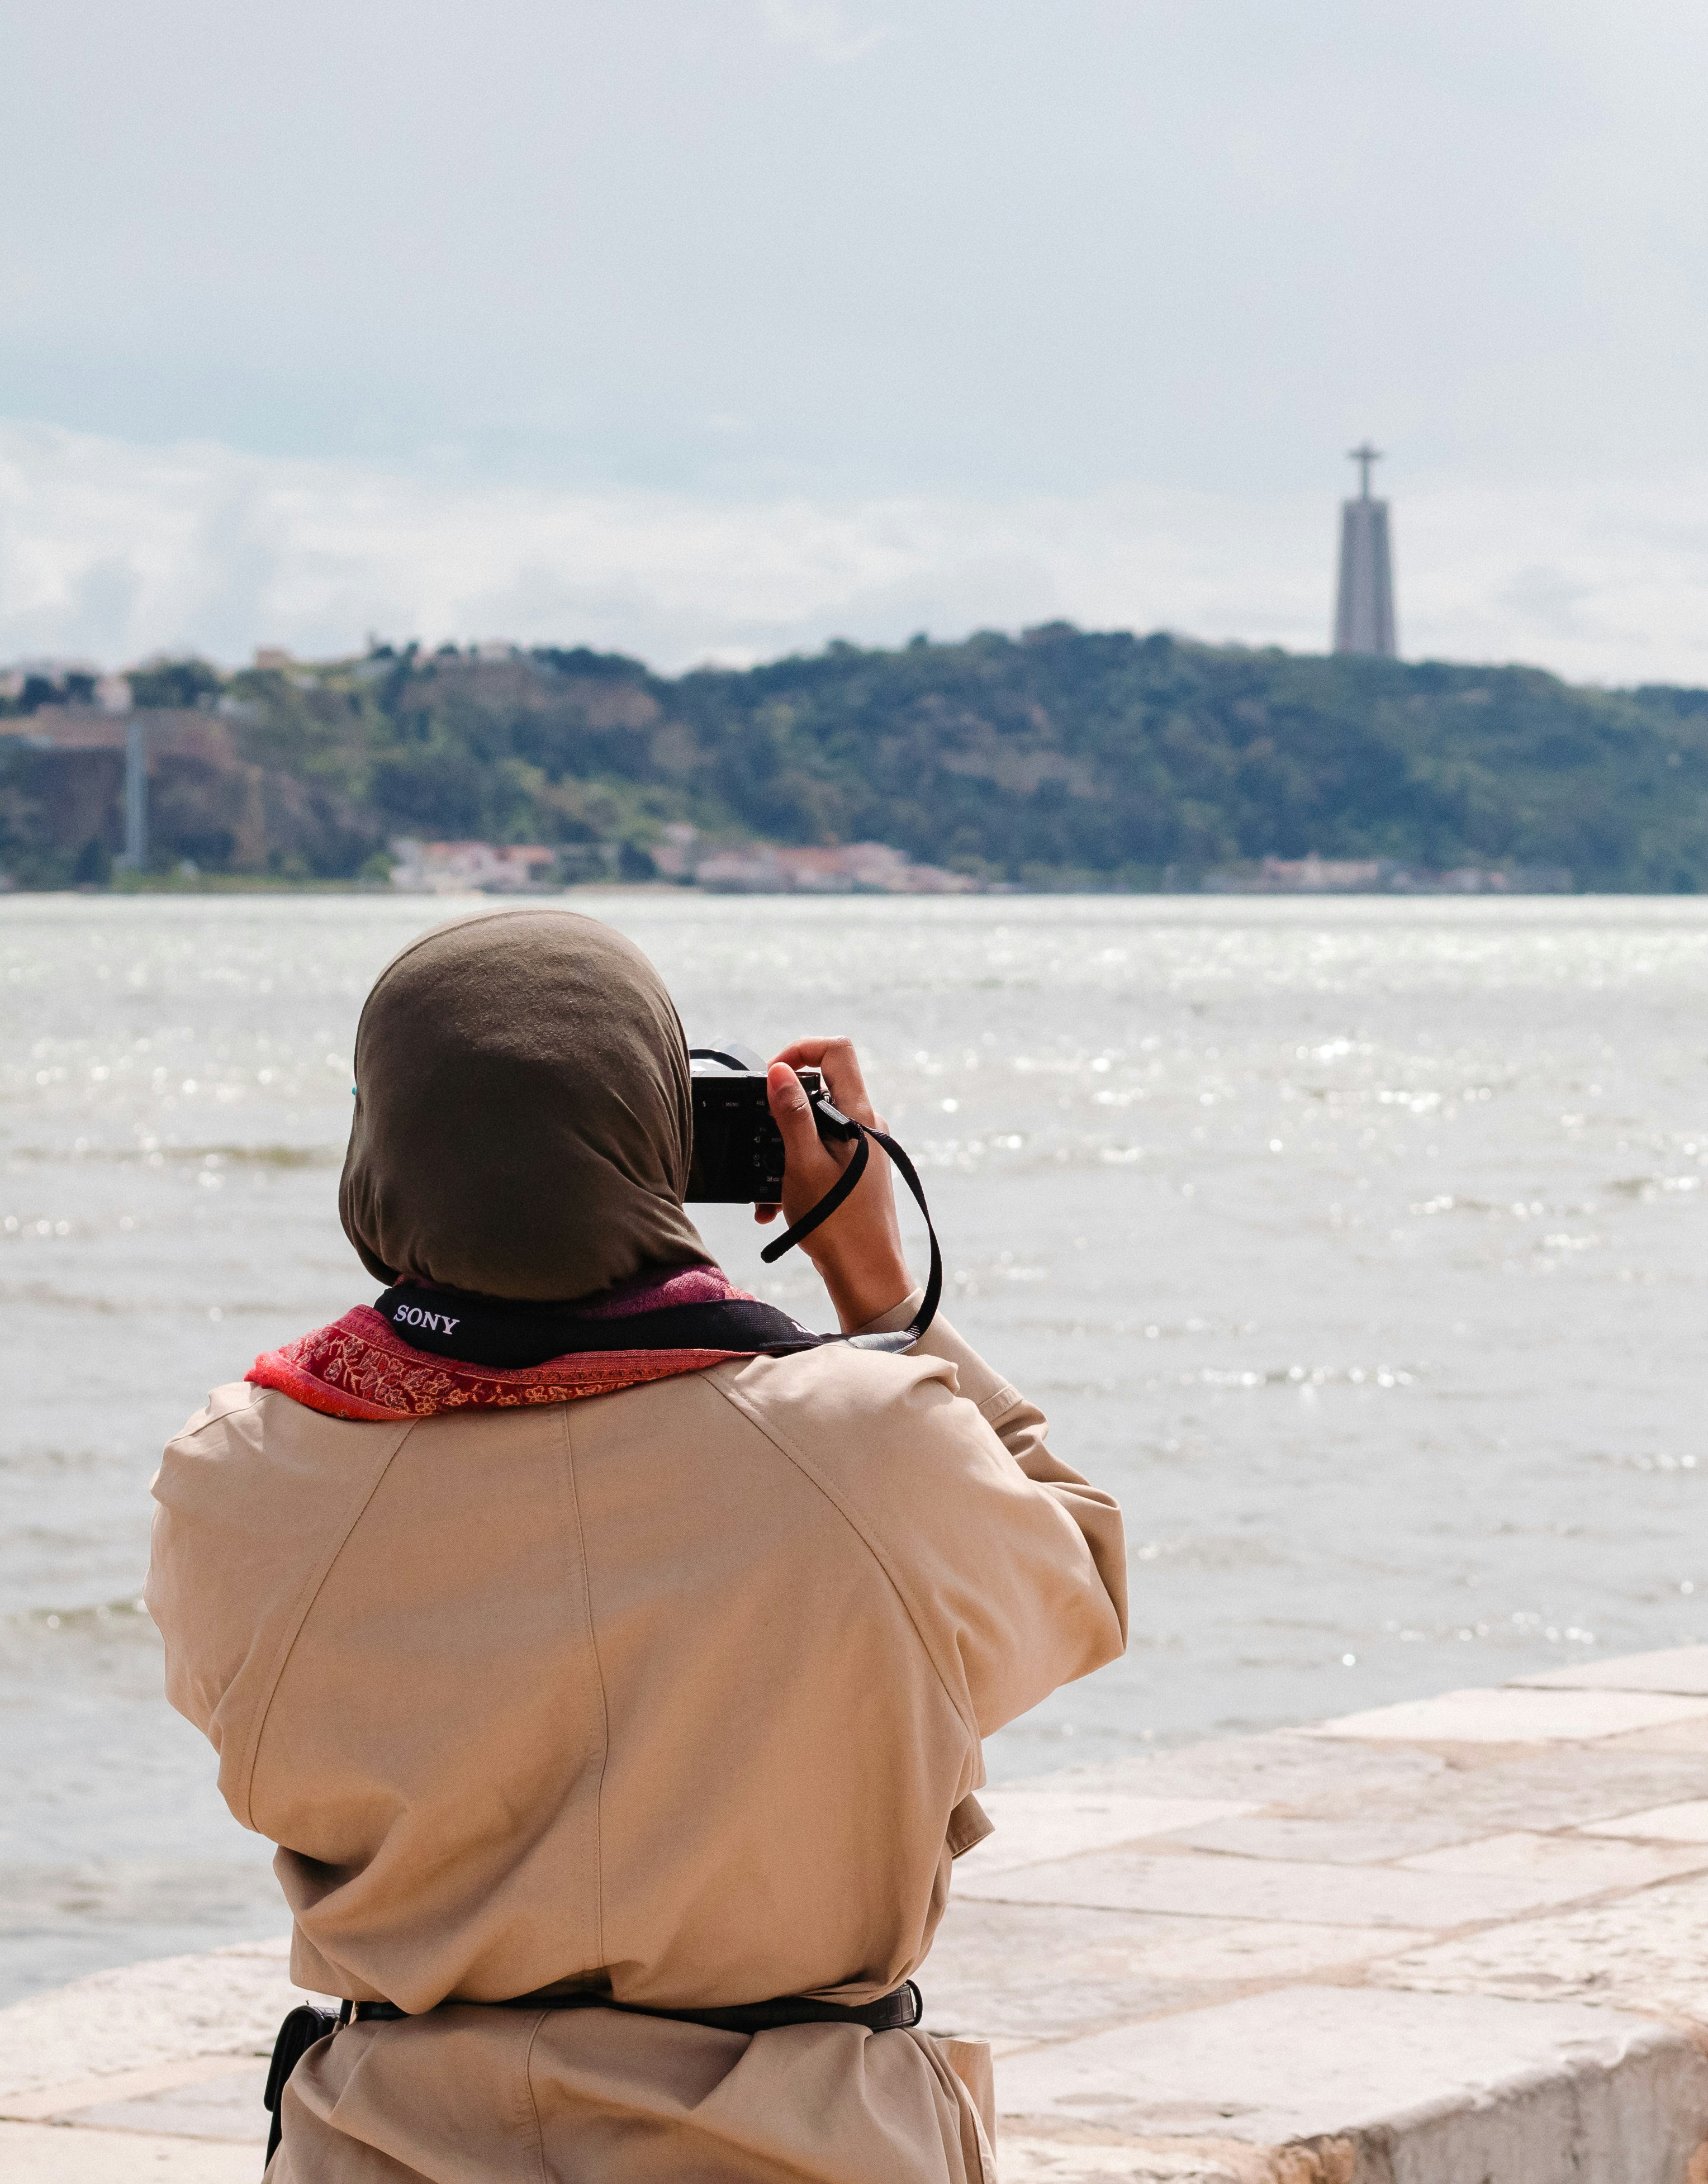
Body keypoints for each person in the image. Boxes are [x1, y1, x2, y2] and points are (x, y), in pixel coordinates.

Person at [149, 906, 1130, 2181]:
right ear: (658, 1139)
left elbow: (251, 1740)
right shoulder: (864, 1444)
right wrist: (878, 1290)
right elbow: (1080, 1583)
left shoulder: (241, 1472)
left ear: (378, 1146)